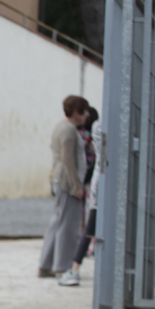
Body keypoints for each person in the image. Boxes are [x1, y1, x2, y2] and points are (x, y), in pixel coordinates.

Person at [39, 95, 89, 278]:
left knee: (58, 222)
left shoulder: (62, 126)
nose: (87, 115)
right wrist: (76, 185)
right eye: (85, 111)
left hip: (61, 179)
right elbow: (68, 159)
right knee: (68, 225)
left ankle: (46, 265)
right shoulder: (68, 129)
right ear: (77, 112)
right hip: (67, 182)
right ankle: (62, 267)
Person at [59, 107, 102, 287]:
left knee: (86, 225)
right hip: (88, 184)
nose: (86, 116)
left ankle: (73, 268)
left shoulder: (92, 131)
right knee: (81, 224)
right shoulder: (81, 131)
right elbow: (69, 160)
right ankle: (70, 267)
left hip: (94, 184)